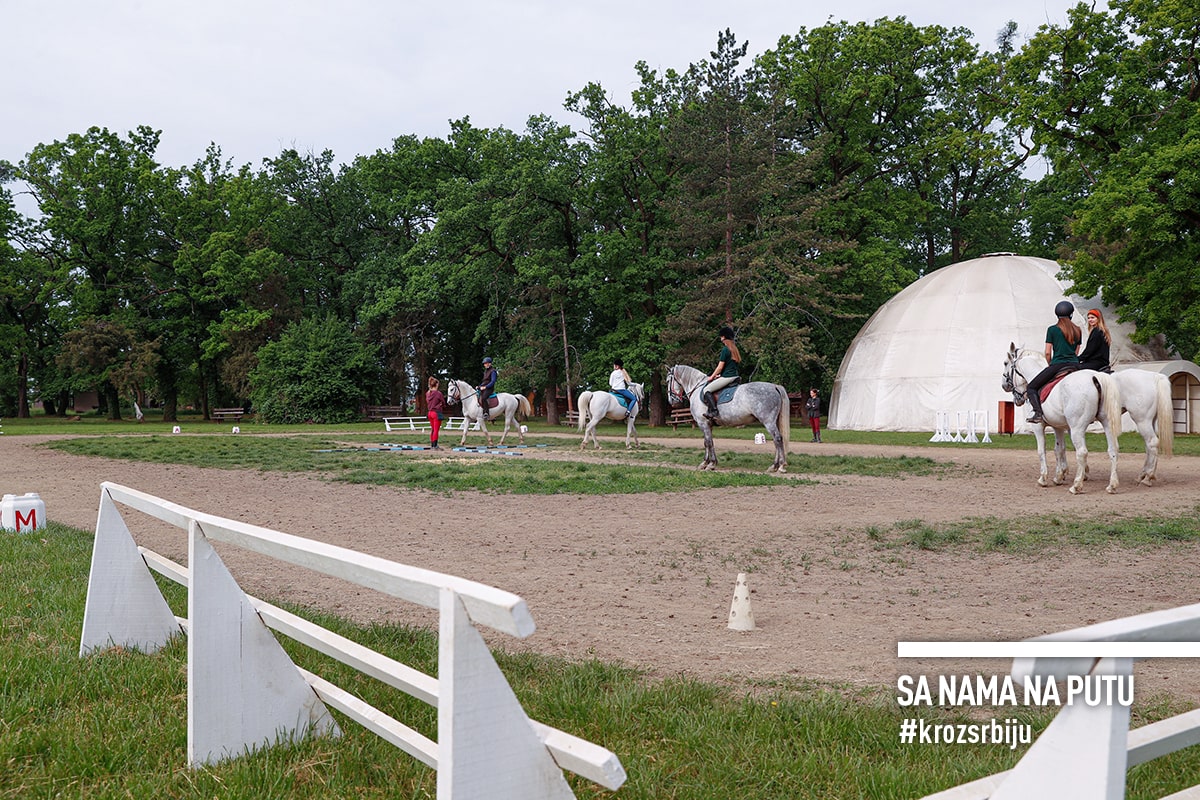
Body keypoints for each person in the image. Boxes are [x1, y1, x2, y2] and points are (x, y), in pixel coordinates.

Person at [1025, 300, 1081, 423]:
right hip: (1075, 365)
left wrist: (1050, 363)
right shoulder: (1078, 330)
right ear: (1071, 314)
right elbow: (1076, 352)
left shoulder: (1052, 330)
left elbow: (1047, 352)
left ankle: (1038, 414)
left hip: (1058, 364)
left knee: (1031, 387)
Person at [703, 326, 741, 421]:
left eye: (721, 336)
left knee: (706, 390)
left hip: (728, 377)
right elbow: (730, 366)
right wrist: (720, 375)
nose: (720, 338)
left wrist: (711, 377)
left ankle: (714, 411)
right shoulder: (734, 349)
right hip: (734, 376)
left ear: (724, 337)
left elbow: (720, 367)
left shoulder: (725, 349)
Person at [1077, 308, 1112, 372]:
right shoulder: (1103, 331)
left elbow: (1089, 351)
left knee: (1073, 368)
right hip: (1102, 362)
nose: (1090, 320)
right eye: (1088, 318)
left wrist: (1077, 359)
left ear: (1098, 319)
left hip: (1096, 362)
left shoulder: (1096, 331)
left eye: (1092, 317)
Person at [425, 377, 446, 450]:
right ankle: (435, 446)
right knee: (436, 430)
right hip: (436, 413)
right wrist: (441, 405)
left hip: (430, 413)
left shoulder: (427, 393)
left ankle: (432, 445)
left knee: (433, 429)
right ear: (436, 384)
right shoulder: (438, 393)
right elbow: (443, 402)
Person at [477, 356, 497, 420]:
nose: (484, 365)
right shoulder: (485, 372)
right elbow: (484, 381)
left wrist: (485, 387)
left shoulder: (493, 371)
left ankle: (486, 413)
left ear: (489, 363)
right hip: (484, 387)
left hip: (489, 388)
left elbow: (493, 381)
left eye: (486, 363)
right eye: (484, 364)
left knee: (484, 398)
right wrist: (479, 386)